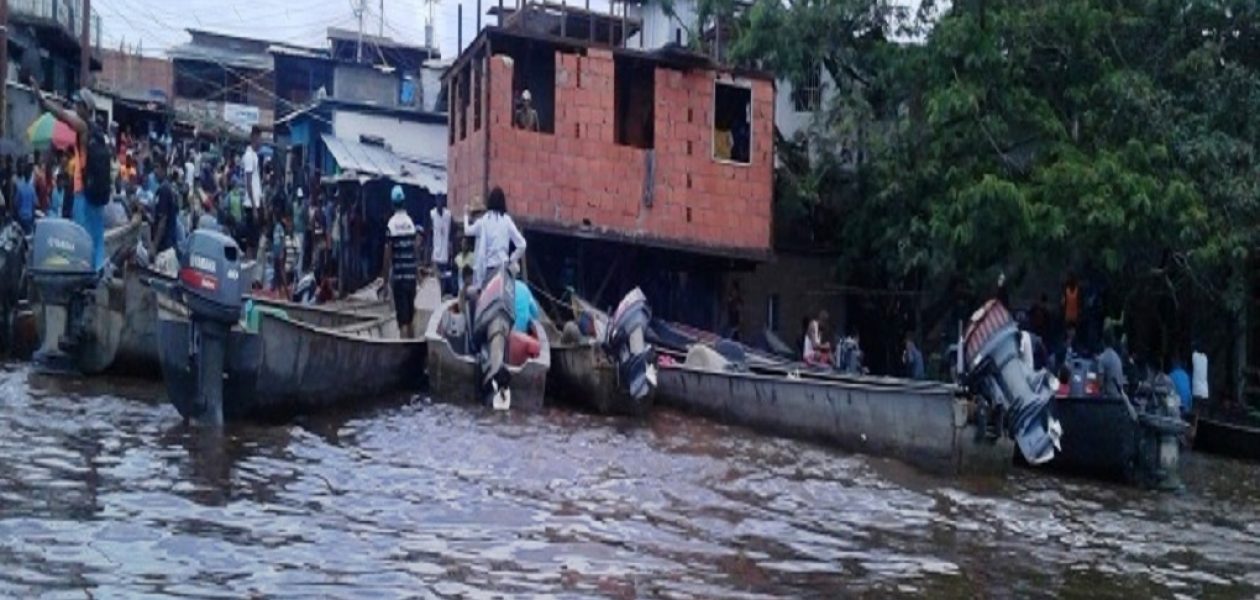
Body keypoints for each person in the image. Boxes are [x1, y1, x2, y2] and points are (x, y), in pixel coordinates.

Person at [33, 84, 104, 269]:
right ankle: (96, 276)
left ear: (86, 109)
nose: (75, 108)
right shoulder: (99, 133)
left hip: (83, 196)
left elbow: (62, 116)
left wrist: (43, 101)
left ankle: (83, 277)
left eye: (78, 104)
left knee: (81, 239)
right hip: (97, 198)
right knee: (96, 242)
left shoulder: (84, 128)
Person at [464, 187, 526, 288]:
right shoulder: (507, 220)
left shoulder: (485, 220)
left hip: (489, 270)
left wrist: (479, 281)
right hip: (503, 269)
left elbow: (481, 252)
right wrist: (512, 258)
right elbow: (522, 244)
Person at [383, 185, 421, 338]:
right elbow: (415, 250)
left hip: (399, 278)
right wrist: (417, 272)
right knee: (410, 317)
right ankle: (412, 350)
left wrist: (385, 280)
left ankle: (404, 349)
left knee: (403, 320)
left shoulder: (391, 225)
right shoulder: (410, 223)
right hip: (411, 278)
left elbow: (387, 254)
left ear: (392, 203)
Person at [241, 126, 263, 258]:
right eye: (260, 138)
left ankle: (252, 265)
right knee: (251, 241)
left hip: (256, 203)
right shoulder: (248, 156)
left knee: (255, 240)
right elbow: (249, 183)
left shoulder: (255, 156)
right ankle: (249, 266)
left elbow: (256, 183)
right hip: (250, 205)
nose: (261, 142)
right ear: (254, 137)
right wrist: (254, 207)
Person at [152, 163, 179, 255]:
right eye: (154, 168)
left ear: (164, 170)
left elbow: (162, 221)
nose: (155, 171)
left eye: (157, 167)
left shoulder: (164, 189)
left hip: (165, 245)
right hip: (168, 243)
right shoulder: (166, 187)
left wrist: (154, 246)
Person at [430, 197, 453, 295]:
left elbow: (452, 231)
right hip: (436, 252)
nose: (439, 202)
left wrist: (451, 245)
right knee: (436, 277)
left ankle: (441, 294)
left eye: (441, 200)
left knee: (443, 277)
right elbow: (429, 233)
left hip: (445, 252)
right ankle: (437, 295)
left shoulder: (448, 215)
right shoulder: (432, 214)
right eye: (438, 200)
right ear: (435, 201)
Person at [511, 262, 539, 333]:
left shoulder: (505, 288)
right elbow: (535, 312)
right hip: (522, 330)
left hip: (507, 330)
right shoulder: (524, 288)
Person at [1097, 333, 1126, 398]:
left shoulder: (1103, 358)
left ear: (1103, 342)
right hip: (1119, 396)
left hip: (1109, 397)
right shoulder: (1117, 357)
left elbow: (1100, 383)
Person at [14, 160, 36, 234]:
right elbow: (34, 204)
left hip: (21, 217)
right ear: (30, 176)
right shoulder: (32, 189)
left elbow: (16, 204)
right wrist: (33, 217)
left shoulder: (20, 188)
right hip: (29, 217)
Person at [1192, 340, 1209, 412]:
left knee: (1196, 413)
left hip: (1197, 390)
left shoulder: (1194, 356)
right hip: (1205, 391)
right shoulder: (1205, 358)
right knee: (1204, 412)